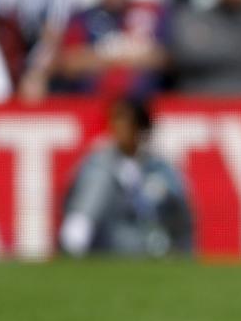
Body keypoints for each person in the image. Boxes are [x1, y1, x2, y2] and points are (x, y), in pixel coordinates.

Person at [59, 96, 193, 257]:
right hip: (110, 246)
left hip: (154, 248)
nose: (118, 126)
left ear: (139, 125)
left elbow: (182, 214)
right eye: (116, 119)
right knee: (98, 181)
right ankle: (74, 246)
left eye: (125, 120)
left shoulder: (159, 166)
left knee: (162, 187)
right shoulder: (100, 164)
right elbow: (82, 203)